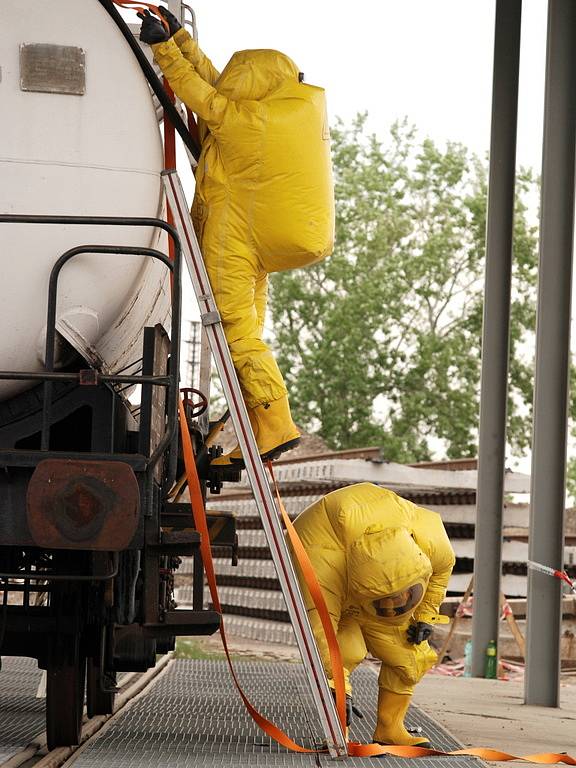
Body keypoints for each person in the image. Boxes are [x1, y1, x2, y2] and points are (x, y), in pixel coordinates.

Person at [139, 8, 334, 466]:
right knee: (249, 332)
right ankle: (253, 416)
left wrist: (165, 50)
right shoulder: (274, 114)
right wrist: (182, 40)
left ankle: (274, 418)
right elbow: (212, 84)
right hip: (261, 240)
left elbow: (200, 95)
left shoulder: (244, 121)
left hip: (235, 237)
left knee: (233, 328)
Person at [290, 482, 456, 747]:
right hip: (329, 556)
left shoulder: (430, 540)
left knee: (410, 656)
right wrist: (337, 689)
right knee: (346, 652)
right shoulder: (322, 569)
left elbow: (441, 572)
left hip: (368, 574)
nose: (393, 610)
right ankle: (337, 732)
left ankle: (390, 729)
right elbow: (321, 630)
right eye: (386, 604)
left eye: (403, 599)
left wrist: (425, 615)